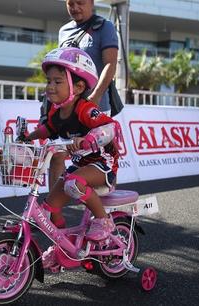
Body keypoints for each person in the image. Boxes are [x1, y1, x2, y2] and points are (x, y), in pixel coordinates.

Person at [23, 47, 122, 268]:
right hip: (81, 165)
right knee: (49, 208)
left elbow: (110, 127)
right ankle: (63, 249)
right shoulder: (56, 112)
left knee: (73, 183)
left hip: (103, 166)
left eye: (57, 81)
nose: (50, 86)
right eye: (48, 81)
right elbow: (47, 129)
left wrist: (90, 138)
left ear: (78, 86)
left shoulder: (85, 109)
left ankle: (103, 221)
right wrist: (28, 137)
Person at [45, 0, 119, 191]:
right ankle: (53, 212)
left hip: (95, 107)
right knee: (56, 155)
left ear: (92, 2)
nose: (75, 7)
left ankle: (102, 215)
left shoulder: (105, 27)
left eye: (81, 2)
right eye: (71, 3)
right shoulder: (64, 31)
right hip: (66, 109)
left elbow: (110, 64)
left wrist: (94, 97)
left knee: (95, 158)